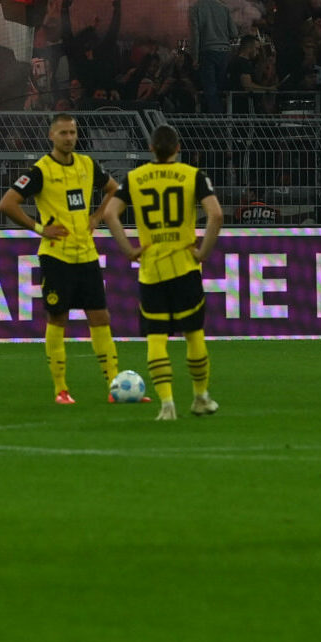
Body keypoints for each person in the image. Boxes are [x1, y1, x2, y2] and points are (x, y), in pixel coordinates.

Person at [0, 113, 123, 404]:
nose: (69, 137)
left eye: (72, 132)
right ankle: (61, 390)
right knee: (58, 319)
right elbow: (7, 203)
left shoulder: (87, 164)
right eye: (63, 133)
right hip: (57, 257)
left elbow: (114, 189)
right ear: (51, 137)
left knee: (101, 317)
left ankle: (115, 387)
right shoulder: (40, 170)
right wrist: (40, 228)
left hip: (87, 254)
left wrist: (96, 216)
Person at [104, 124, 223, 421]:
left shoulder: (134, 178)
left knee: (156, 338)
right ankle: (200, 398)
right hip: (184, 266)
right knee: (194, 334)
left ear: (152, 149)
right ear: (178, 148)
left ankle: (167, 405)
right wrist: (204, 252)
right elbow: (216, 214)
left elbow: (109, 214)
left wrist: (128, 248)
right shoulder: (192, 175)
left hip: (152, 270)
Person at [189, 0, 236, 114]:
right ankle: (226, 121)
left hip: (207, 52)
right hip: (224, 52)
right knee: (221, 88)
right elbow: (234, 32)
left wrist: (195, 58)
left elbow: (195, 35)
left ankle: (217, 123)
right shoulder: (223, 7)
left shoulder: (194, 8)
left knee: (210, 89)